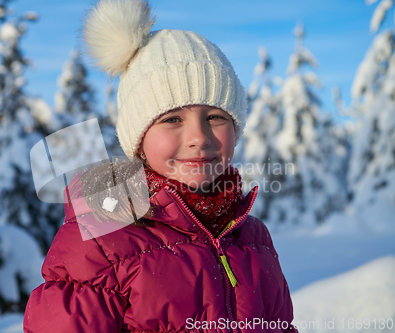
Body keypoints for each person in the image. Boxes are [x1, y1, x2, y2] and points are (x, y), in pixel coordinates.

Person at [24, 0, 297, 332]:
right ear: (139, 139)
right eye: (172, 119)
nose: (199, 137)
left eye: (215, 116)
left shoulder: (252, 239)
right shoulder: (104, 240)